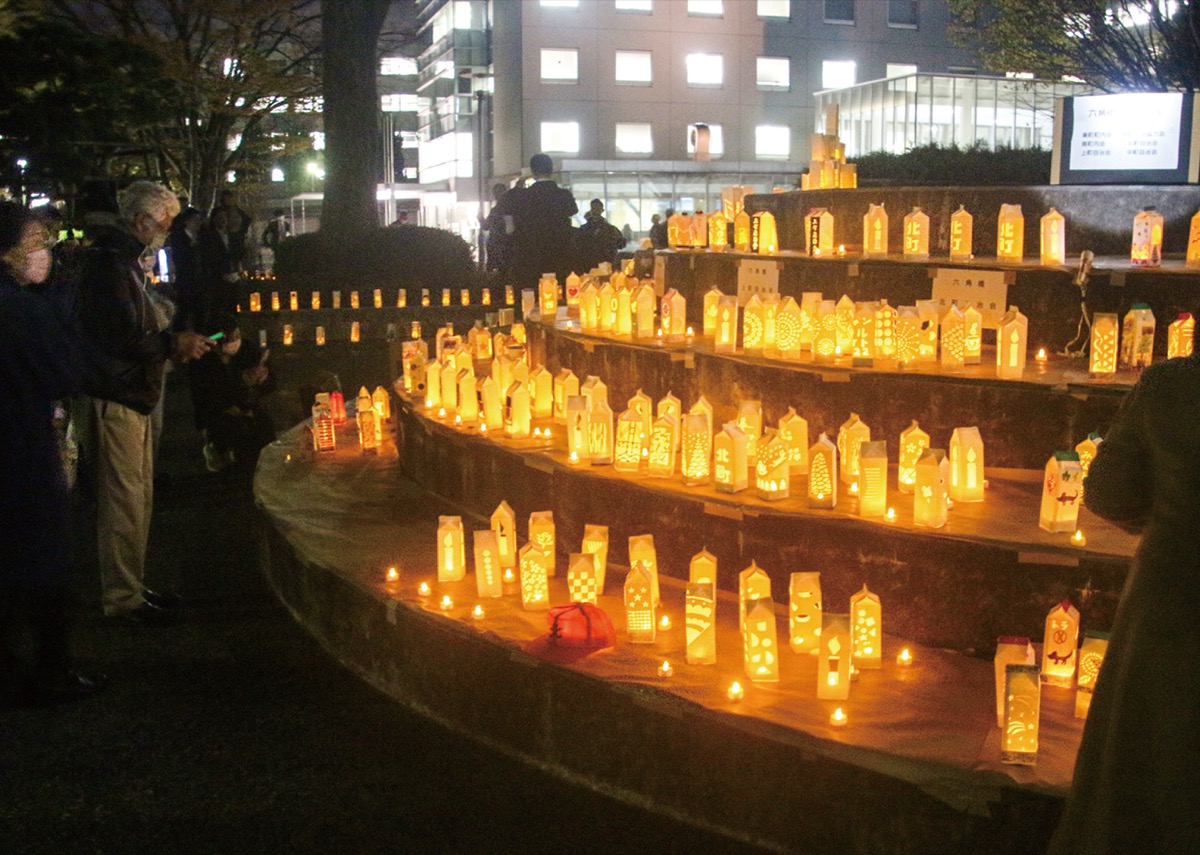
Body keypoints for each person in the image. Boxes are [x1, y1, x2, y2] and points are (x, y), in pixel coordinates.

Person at [1048, 347, 1200, 853]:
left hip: (1174, 596)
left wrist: (1167, 522)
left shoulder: (1172, 385)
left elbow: (1109, 492)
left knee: (1141, 768)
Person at [74, 181, 213, 625]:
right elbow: (120, 334)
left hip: (131, 390)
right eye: (164, 224)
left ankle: (131, 584)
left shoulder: (122, 261)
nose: (166, 233)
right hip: (117, 392)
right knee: (123, 497)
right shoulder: (109, 264)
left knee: (138, 494)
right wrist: (173, 342)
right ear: (141, 220)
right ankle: (121, 596)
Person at [0, 202, 104, 705]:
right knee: (43, 561)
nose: (44, 252)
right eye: (35, 243)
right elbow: (62, 370)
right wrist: (60, 300)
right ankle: (52, 670)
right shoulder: (21, 308)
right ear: (7, 252)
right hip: (21, 447)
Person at [189, 312, 275, 471]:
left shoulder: (249, 350)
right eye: (229, 339)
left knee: (265, 430)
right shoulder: (202, 361)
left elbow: (271, 384)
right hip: (219, 413)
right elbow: (207, 397)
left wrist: (263, 378)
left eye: (237, 336)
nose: (234, 342)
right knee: (232, 435)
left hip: (249, 409)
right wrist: (241, 383)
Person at [505, 153, 578, 288]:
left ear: (533, 171)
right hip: (560, 254)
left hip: (531, 256)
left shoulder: (524, 196)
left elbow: (512, 228)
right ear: (551, 169)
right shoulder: (563, 195)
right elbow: (573, 211)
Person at [577, 199, 626, 271]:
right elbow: (621, 244)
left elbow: (621, 244)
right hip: (593, 264)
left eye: (597, 208)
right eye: (594, 208)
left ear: (602, 210)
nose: (596, 211)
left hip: (601, 264)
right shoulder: (611, 229)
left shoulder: (611, 229)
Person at [482, 182, 513, 274]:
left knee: (498, 271)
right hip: (507, 245)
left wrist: (480, 218)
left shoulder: (496, 210)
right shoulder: (511, 208)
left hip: (496, 244)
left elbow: (486, 226)